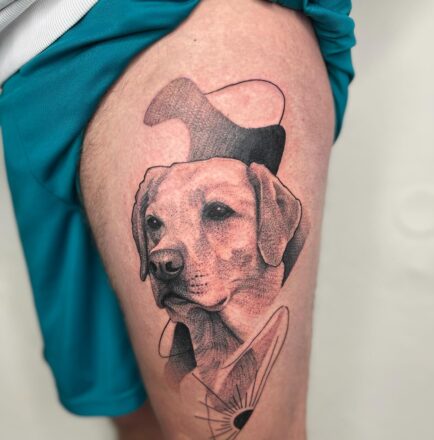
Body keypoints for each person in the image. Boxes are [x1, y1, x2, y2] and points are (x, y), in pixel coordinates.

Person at [0, 0, 355, 438]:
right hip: (24, 69)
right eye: (155, 223)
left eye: (218, 212)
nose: (164, 254)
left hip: (170, 18)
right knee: (136, 417)